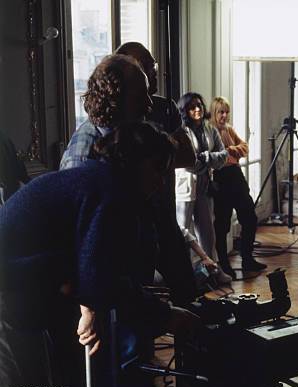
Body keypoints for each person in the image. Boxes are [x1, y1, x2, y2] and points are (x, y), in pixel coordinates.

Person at [0, 122, 200, 387]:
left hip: (25, 292)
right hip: (11, 296)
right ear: (136, 161)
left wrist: (152, 309)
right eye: (159, 167)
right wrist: (164, 316)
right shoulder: (108, 190)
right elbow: (97, 279)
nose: (162, 180)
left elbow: (100, 272)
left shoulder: (101, 181)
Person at [59, 54, 197, 306]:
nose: (148, 104)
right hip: (111, 264)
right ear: (115, 96)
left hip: (150, 234)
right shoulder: (85, 148)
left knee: (186, 298)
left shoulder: (133, 138)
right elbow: (78, 238)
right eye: (141, 95)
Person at [175, 92, 232, 283]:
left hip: (205, 187)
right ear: (185, 110)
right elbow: (185, 162)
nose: (197, 109)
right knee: (182, 230)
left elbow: (223, 156)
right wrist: (205, 162)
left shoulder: (210, 129)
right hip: (184, 188)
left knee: (208, 233)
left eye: (199, 105)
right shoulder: (180, 131)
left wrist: (206, 158)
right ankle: (183, 275)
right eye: (192, 107)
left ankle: (213, 271)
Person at [210, 96, 267, 276]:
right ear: (214, 112)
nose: (224, 115)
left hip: (235, 175)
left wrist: (230, 151)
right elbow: (216, 157)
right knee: (222, 223)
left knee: (249, 217)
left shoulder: (228, 129)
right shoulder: (209, 131)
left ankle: (247, 259)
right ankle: (224, 264)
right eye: (221, 112)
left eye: (227, 112)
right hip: (220, 178)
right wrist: (230, 152)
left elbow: (244, 148)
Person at [115, 42, 182, 135]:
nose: (153, 72)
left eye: (153, 65)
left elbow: (182, 146)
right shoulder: (113, 114)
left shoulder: (167, 108)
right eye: (145, 66)